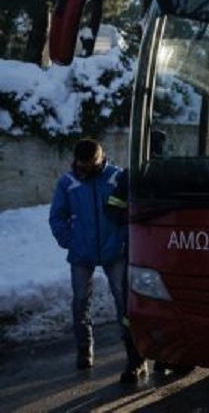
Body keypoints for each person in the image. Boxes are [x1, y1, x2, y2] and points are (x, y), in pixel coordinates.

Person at [49, 138, 148, 384]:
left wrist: (123, 239)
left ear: (99, 158)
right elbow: (57, 217)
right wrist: (70, 241)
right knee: (80, 300)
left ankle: (135, 355)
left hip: (114, 251)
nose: (83, 170)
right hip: (81, 253)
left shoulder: (117, 177)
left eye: (88, 165)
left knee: (123, 300)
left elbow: (130, 212)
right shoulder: (67, 182)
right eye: (79, 165)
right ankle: (84, 349)